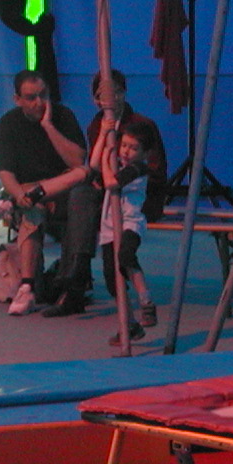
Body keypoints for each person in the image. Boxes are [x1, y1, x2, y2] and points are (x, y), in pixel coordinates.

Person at [53, 69, 167, 319]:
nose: (106, 100)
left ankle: (78, 278)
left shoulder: (142, 126)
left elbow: (154, 172)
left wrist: (114, 177)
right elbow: (95, 165)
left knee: (85, 207)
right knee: (78, 199)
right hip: (107, 193)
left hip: (136, 196)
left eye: (112, 94)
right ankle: (77, 273)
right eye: (99, 96)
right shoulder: (97, 124)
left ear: (122, 93)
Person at [0, 69, 92, 316]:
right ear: (18, 99)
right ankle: (28, 285)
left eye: (43, 95)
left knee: (82, 187)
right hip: (27, 191)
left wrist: (48, 126)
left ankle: (70, 278)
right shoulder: (8, 124)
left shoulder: (63, 116)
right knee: (31, 206)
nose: (39, 102)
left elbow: (78, 161)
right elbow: (6, 173)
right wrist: (18, 195)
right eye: (31, 97)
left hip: (62, 189)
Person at [96, 125, 156, 345]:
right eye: (124, 146)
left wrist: (106, 157)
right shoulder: (119, 165)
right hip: (109, 228)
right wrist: (105, 144)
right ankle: (130, 325)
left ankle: (146, 301)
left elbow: (111, 182)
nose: (126, 151)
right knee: (112, 280)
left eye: (133, 148)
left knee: (126, 257)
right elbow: (96, 171)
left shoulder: (138, 169)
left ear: (145, 153)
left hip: (130, 223)